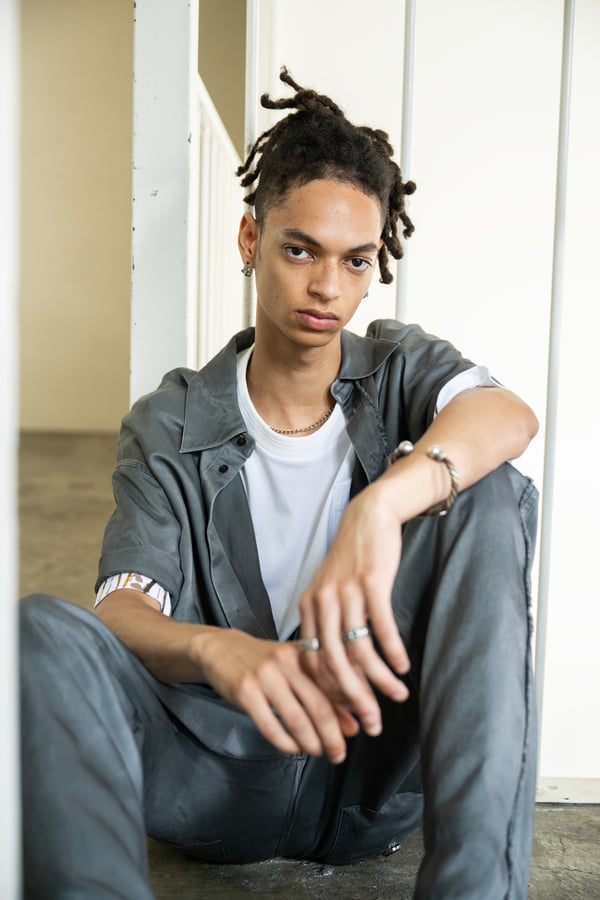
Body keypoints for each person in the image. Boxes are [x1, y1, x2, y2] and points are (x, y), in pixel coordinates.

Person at [20, 67, 540, 899]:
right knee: (38, 631)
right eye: (301, 249)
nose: (328, 286)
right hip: (218, 779)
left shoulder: (399, 367)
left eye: (356, 260)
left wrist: (382, 507)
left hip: (368, 769)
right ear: (249, 240)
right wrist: (218, 651)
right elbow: (121, 611)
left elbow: (506, 415)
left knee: (484, 488)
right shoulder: (170, 421)